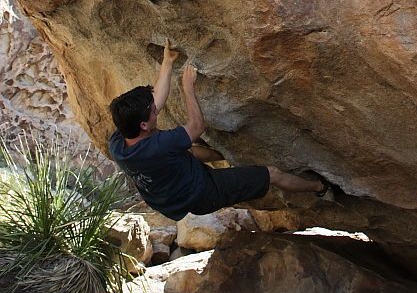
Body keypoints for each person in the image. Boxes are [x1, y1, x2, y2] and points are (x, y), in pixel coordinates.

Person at [108, 40, 329, 221]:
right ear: (144, 126)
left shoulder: (119, 142)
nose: (157, 109)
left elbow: (156, 100)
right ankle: (319, 187)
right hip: (204, 193)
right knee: (272, 174)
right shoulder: (159, 146)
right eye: (153, 112)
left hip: (171, 194)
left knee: (190, 152)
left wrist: (167, 63)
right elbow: (196, 126)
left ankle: (225, 158)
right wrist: (187, 88)